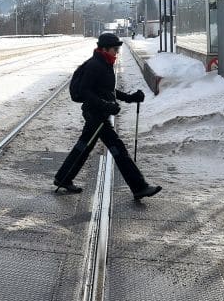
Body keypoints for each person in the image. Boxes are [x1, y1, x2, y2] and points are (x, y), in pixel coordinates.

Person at [53, 32, 161, 200]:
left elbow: (107, 90)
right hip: (96, 115)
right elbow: (85, 91)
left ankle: (63, 177)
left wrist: (131, 98)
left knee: (84, 146)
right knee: (118, 150)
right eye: (114, 49)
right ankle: (139, 187)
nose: (117, 52)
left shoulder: (104, 63)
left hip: (98, 114)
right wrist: (106, 106)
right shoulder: (95, 65)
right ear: (104, 49)